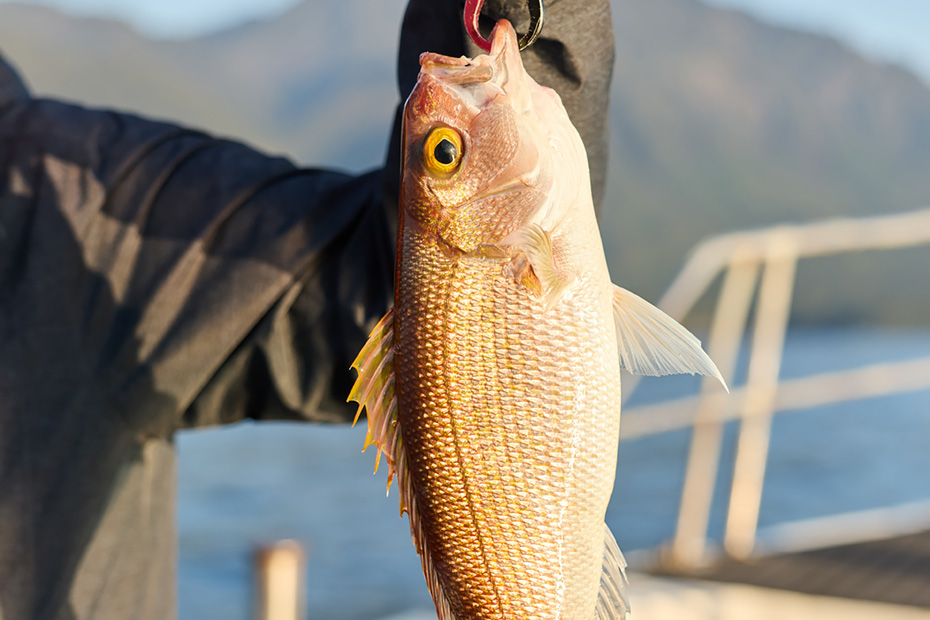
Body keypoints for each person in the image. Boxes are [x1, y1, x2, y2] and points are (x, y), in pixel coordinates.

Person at [0, 0, 614, 618]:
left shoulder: (69, 206)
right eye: (445, 152)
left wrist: (520, 10)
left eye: (443, 153)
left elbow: (380, 285)